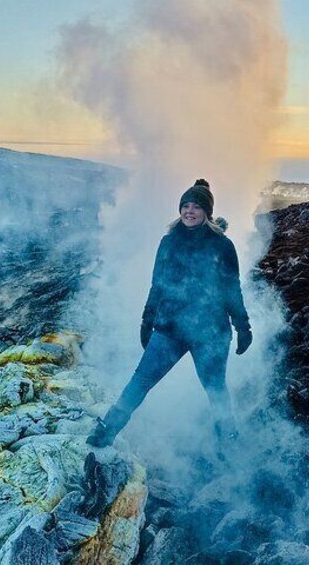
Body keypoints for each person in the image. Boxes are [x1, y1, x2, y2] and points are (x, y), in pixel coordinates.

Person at [87, 178, 252, 448]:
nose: (189, 211)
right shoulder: (169, 242)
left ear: (206, 213)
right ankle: (108, 429)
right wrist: (147, 320)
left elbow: (231, 288)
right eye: (185, 206)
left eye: (196, 206)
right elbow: (158, 284)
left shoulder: (222, 245)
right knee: (140, 380)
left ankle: (229, 439)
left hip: (209, 333)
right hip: (170, 328)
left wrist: (243, 327)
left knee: (216, 389)